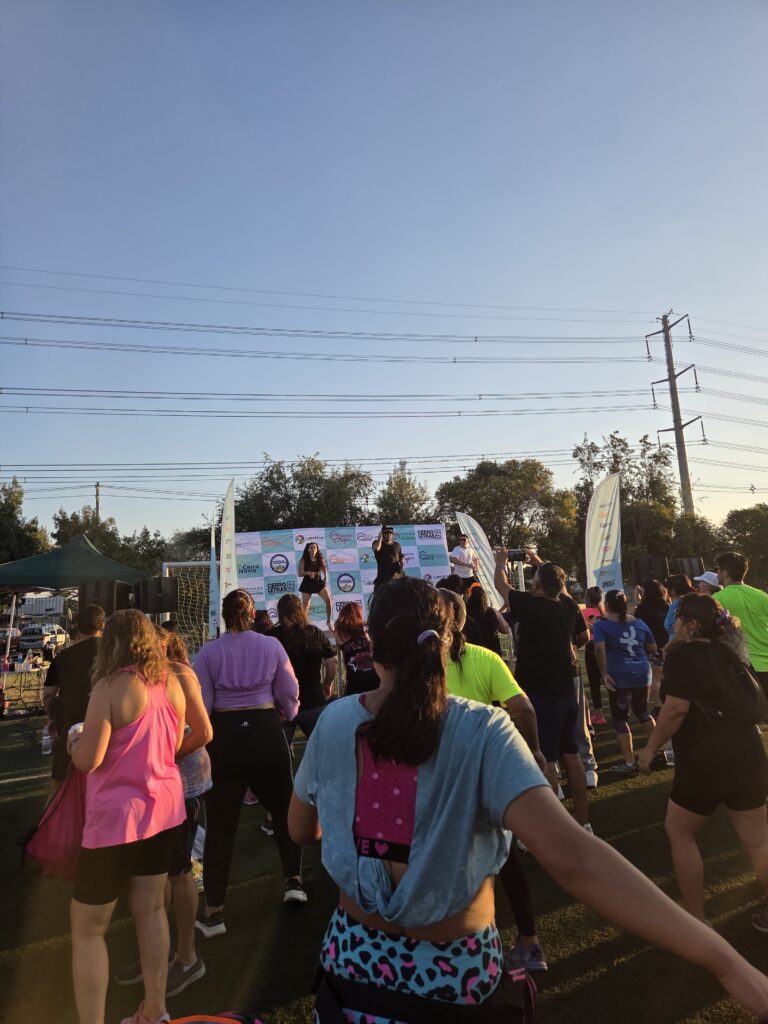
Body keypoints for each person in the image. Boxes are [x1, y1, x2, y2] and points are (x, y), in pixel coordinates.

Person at [289, 576, 768, 1023]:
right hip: (455, 983)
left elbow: (302, 830)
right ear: (449, 641)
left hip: (348, 974)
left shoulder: (334, 722)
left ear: (373, 645)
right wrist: (725, 962)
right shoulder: (482, 730)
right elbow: (576, 861)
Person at [68, 609, 188, 1024]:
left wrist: (74, 742)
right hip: (163, 811)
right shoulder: (171, 684)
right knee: (151, 911)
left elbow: (88, 760)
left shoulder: (109, 687)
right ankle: (155, 1010)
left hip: (117, 822)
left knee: (88, 929)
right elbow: (175, 744)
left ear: (112, 643)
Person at [638, 594, 768, 929]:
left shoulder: (685, 655)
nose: (674, 623)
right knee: (758, 840)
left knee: (679, 832)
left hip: (706, 759)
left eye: (679, 618)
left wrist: (650, 748)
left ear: (692, 625)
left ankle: (697, 921)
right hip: (749, 754)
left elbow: (674, 710)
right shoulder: (730, 652)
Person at [442, 588, 548, 972]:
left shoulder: (422, 664)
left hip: (442, 775)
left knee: (449, 858)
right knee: (506, 857)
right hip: (487, 767)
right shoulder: (486, 657)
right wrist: (534, 750)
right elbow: (523, 709)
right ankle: (530, 943)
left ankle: (462, 948)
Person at [193, 589, 304, 933]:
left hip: (225, 736)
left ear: (224, 615)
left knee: (220, 826)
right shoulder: (271, 645)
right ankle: (294, 881)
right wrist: (286, 714)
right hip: (265, 729)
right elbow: (289, 691)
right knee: (284, 810)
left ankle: (214, 911)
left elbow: (202, 702)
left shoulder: (208, 652)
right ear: (252, 614)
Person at [115, 626, 213, 998]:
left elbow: (203, 732)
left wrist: (166, 756)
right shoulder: (143, 677)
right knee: (154, 873)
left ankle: (188, 957)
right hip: (155, 787)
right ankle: (155, 955)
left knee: (179, 868)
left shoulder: (181, 675)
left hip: (184, 786)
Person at [494, 549, 592, 825]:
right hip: (566, 690)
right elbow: (579, 625)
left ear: (536, 584)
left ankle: (554, 826)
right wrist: (539, 563)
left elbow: (501, 584)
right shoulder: (568, 607)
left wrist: (501, 561)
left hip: (540, 693)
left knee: (546, 758)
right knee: (571, 754)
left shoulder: (529, 604)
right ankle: (584, 820)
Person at [43, 603, 105, 803]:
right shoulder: (114, 654)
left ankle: (50, 820)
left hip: (71, 723)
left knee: (58, 781)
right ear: (103, 626)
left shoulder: (63, 657)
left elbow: (49, 695)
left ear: (77, 627)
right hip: (105, 723)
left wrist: (53, 718)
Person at [592, 590, 658, 774]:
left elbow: (599, 649)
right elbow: (653, 648)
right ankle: (656, 752)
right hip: (642, 673)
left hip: (619, 676)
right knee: (643, 712)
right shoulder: (639, 623)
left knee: (620, 719)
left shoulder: (601, 625)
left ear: (607, 605)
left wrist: (604, 673)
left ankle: (629, 763)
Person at [269, 593, 338, 739]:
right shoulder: (314, 632)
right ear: (300, 610)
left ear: (280, 612)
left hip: (282, 704)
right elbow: (332, 662)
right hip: (313, 699)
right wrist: (327, 684)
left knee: (280, 751)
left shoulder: (271, 636)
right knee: (321, 747)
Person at [715, 550, 768, 699]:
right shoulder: (761, 595)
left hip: (746, 667)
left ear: (725, 573)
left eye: (718, 570)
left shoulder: (717, 599)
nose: (716, 574)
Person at [334, 601, 379, 696]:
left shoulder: (340, 633)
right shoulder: (363, 631)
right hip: (372, 675)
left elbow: (339, 643)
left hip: (355, 678)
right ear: (358, 614)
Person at [582, 586, 607, 725]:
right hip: (606, 647)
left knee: (594, 682)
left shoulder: (583, 613)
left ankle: (599, 713)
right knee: (607, 678)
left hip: (592, 647)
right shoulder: (605, 613)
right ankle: (619, 709)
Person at [464, 583, 511, 656]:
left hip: (473, 653)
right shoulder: (492, 612)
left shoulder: (465, 614)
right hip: (493, 653)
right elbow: (506, 630)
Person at [298, 542, 333, 630]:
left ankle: (328, 621)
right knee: (306, 606)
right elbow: (300, 573)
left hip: (318, 582)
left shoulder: (320, 558)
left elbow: (324, 569)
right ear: (308, 549)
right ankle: (303, 623)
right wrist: (308, 573)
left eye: (315, 547)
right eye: (311, 547)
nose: (313, 549)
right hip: (307, 583)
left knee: (328, 600)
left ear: (317, 549)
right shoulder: (303, 560)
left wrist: (325, 577)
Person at [634, 578, 671, 650]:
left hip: (651, 644)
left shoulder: (642, 607)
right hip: (668, 642)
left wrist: (637, 601)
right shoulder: (665, 605)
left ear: (646, 591)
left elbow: (636, 624)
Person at [664, 574, 696, 640]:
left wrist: (667, 646)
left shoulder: (675, 606)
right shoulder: (692, 601)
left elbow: (678, 633)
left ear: (673, 590)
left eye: (666, 587)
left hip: (677, 644)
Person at [371, 525, 403, 590]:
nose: (389, 535)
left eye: (391, 533)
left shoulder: (397, 545)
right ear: (382, 534)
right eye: (386, 533)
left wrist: (401, 569)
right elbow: (376, 548)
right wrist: (380, 538)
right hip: (382, 578)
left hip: (396, 578)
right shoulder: (377, 543)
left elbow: (401, 558)